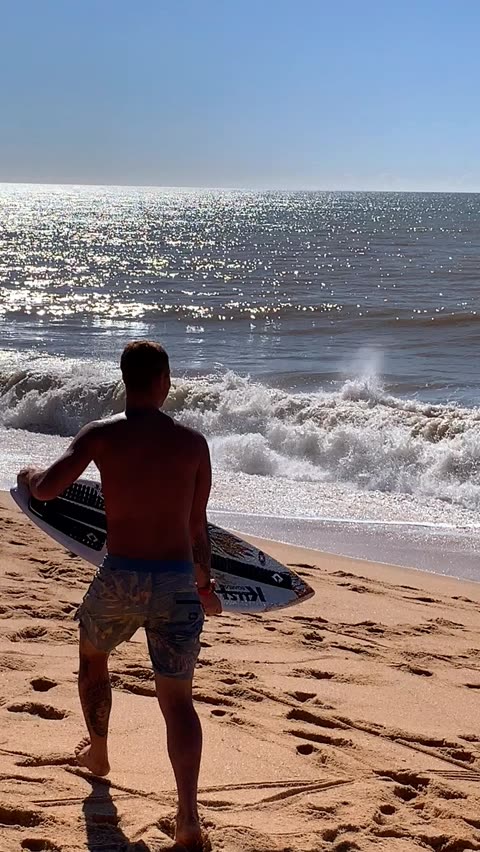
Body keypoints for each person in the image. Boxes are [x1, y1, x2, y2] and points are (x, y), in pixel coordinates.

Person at [17, 340, 222, 850]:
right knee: (178, 701)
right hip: (176, 582)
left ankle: (100, 754)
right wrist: (204, 586)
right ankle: (188, 818)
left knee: (93, 656)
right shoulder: (193, 444)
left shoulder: (101, 435)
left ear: (125, 381)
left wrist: (27, 477)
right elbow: (197, 527)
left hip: (122, 577)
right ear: (164, 381)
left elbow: (46, 490)